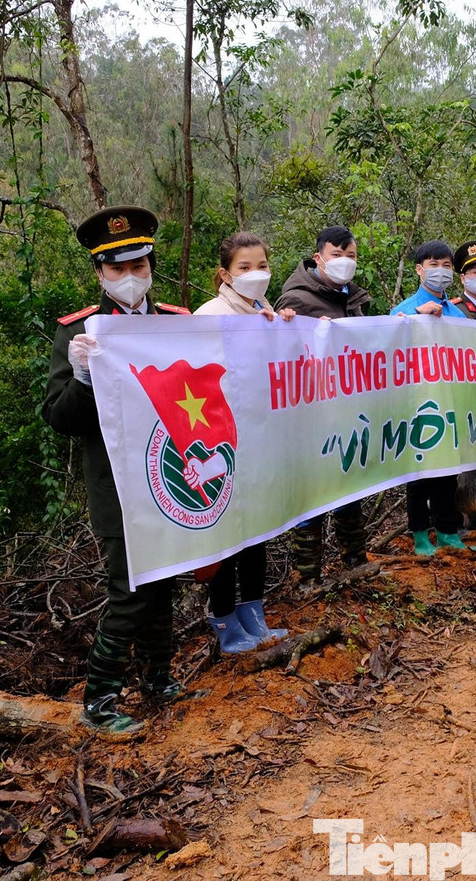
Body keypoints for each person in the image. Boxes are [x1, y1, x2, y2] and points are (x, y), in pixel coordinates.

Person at [42, 205, 190, 739]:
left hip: (170, 475)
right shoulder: (79, 332)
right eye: (116, 268)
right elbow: (60, 419)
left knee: (165, 579)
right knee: (129, 587)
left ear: (151, 266)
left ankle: (158, 679)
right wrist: (82, 377)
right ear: (99, 272)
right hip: (117, 484)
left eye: (138, 266)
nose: (129, 277)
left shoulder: (176, 322)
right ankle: (100, 700)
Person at [193, 233, 296, 651]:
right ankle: (225, 623)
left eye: (262, 266)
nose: (256, 274)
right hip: (222, 443)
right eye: (245, 267)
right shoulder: (209, 315)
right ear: (225, 273)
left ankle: (255, 616)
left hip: (259, 441)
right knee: (227, 536)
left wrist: (290, 329)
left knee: (257, 532)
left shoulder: (265, 312)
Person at [275, 226, 371, 582]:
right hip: (310, 415)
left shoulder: (354, 297)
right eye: (337, 255)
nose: (345, 261)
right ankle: (308, 576)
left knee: (349, 483)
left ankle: (355, 560)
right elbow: (283, 355)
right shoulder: (296, 300)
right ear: (319, 258)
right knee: (312, 490)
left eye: (351, 256)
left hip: (347, 409)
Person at [391, 242, 475, 554]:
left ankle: (448, 532)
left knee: (447, 472)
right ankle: (420, 536)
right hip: (417, 404)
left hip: (450, 403)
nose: (441, 271)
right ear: (419, 269)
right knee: (420, 474)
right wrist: (415, 317)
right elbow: (388, 344)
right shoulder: (404, 309)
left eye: (446, 265)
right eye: (434, 264)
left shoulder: (456, 313)